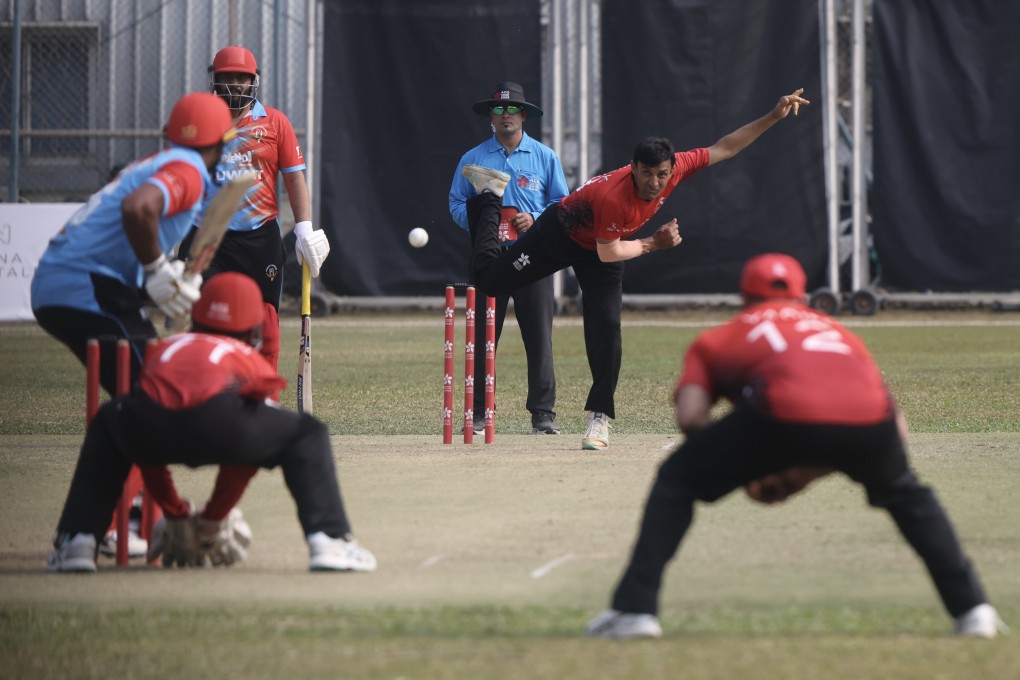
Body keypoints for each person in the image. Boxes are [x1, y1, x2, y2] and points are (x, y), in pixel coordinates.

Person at [585, 253, 1007, 639]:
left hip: (779, 411)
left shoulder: (718, 338)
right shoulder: (839, 332)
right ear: (805, 296)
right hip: (871, 420)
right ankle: (974, 610)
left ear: (743, 296)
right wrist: (803, 472)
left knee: (677, 478)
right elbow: (895, 429)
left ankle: (635, 611)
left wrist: (747, 465)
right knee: (907, 496)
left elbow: (691, 417)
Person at [462, 89, 811, 451]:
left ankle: (598, 417)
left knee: (606, 327)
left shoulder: (677, 167)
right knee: (489, 282)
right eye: (647, 175)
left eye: (662, 174)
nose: (655, 183)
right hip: (559, 234)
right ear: (633, 169)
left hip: (601, 249)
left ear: (673, 168)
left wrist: (773, 115)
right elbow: (611, 251)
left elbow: (726, 147)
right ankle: (489, 195)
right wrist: (652, 244)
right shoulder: (615, 197)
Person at [46, 272, 377, 574]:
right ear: (253, 329)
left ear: (197, 315)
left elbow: (147, 444)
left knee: (110, 421)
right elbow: (244, 455)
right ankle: (329, 541)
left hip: (150, 425)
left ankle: (77, 542)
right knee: (307, 432)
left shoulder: (165, 347)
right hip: (222, 423)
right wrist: (213, 518)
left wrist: (173, 511)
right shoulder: (248, 356)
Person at [31, 92, 238, 557]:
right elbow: (138, 210)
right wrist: (156, 270)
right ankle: (103, 525)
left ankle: (103, 523)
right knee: (157, 391)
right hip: (85, 287)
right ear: (220, 144)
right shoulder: (186, 167)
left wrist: (164, 282)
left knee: (140, 399)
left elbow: (130, 232)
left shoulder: (164, 161)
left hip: (82, 284)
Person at [179, 45, 330, 374]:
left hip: (259, 237)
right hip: (208, 236)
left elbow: (295, 179)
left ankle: (262, 391)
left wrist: (304, 227)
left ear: (253, 81)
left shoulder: (275, 122)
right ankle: (208, 389)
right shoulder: (196, 123)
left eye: (242, 78)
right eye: (227, 77)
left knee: (263, 316)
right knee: (205, 315)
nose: (235, 85)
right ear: (214, 80)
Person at [450, 82, 569, 435]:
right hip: (490, 258)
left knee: (539, 336)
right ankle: (479, 411)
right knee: (484, 337)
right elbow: (456, 204)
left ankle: (543, 414)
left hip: (534, 256)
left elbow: (562, 205)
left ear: (524, 115)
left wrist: (535, 220)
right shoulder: (473, 159)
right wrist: (485, 224)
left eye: (512, 110)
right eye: (499, 110)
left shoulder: (545, 157)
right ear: (491, 116)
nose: (506, 117)